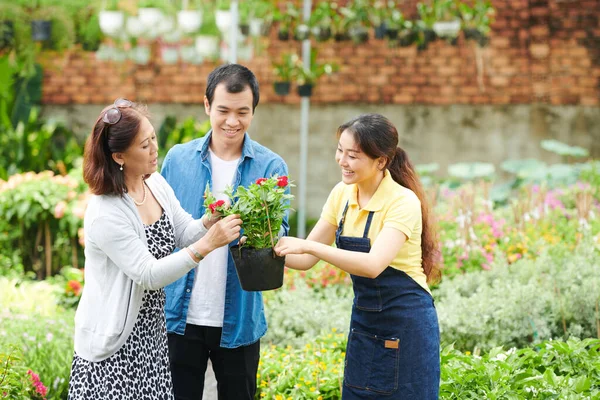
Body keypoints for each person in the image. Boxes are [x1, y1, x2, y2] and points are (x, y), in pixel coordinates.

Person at [68, 99, 242, 400]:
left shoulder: (155, 184)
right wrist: (209, 243)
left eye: (153, 138)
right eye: (144, 145)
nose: (154, 148)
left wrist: (209, 220)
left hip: (151, 337)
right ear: (119, 156)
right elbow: (148, 274)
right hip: (114, 344)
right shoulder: (106, 212)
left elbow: (185, 232)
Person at [274, 113, 441, 399]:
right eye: (340, 150)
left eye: (353, 155)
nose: (342, 160)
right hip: (365, 324)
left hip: (407, 324)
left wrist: (310, 246)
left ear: (381, 161)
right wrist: (260, 246)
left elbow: (373, 265)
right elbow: (304, 261)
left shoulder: (402, 201)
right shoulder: (342, 194)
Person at [161, 63, 289, 400]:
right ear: (207, 106)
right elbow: (162, 229)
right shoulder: (178, 159)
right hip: (180, 314)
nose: (232, 121)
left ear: (253, 112)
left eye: (242, 112)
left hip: (239, 319)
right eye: (223, 111)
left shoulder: (270, 166)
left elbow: (279, 235)